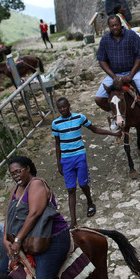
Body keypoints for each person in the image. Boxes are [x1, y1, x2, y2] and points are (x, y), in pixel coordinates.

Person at [4, 156, 79, 279]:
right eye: (12, 173)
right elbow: (9, 214)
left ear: (28, 168)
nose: (15, 176)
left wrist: (18, 240)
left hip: (52, 238)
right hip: (28, 241)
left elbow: (35, 213)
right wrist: (5, 238)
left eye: (18, 171)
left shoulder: (36, 184)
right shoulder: (16, 188)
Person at [52, 96, 116, 228]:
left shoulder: (79, 118)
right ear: (57, 109)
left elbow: (95, 129)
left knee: (83, 184)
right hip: (66, 160)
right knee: (70, 189)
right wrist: (59, 163)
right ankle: (73, 221)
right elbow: (57, 145)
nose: (63, 109)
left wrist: (113, 134)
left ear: (69, 105)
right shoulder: (56, 124)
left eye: (64, 106)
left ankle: (90, 202)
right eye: (60, 108)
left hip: (79, 156)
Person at [95, 14, 140, 130]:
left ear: (120, 25)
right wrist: (113, 77)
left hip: (134, 71)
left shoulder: (132, 36)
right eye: (112, 26)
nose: (115, 28)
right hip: (114, 74)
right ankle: (113, 115)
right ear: (109, 27)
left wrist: (131, 74)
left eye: (116, 25)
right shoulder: (105, 40)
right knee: (98, 99)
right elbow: (102, 60)